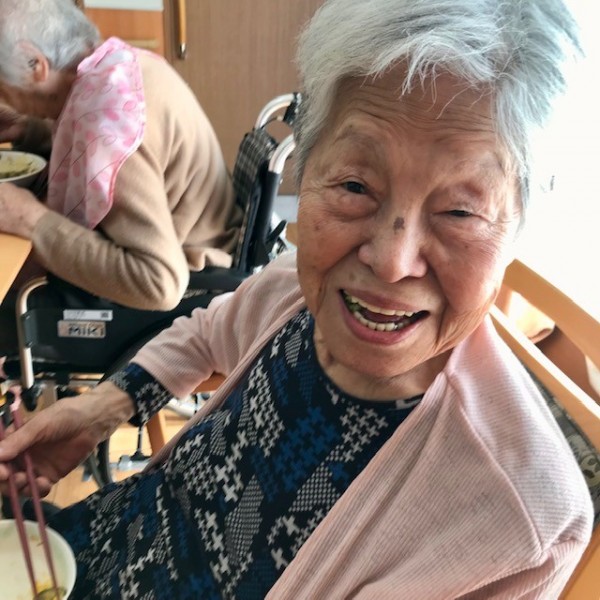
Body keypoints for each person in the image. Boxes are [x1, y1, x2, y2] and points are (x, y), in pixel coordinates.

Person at [0, 0, 593, 597]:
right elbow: (206, 331)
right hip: (108, 537)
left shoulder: (518, 526)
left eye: (461, 212)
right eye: (355, 185)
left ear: (519, 230)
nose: (391, 262)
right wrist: (102, 408)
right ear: (306, 177)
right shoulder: (296, 290)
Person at [0, 0, 242, 356]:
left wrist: (31, 220)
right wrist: (26, 128)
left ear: (36, 65)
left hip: (190, 285)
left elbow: (159, 283)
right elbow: (82, 135)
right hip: (202, 235)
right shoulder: (112, 68)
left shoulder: (108, 128)